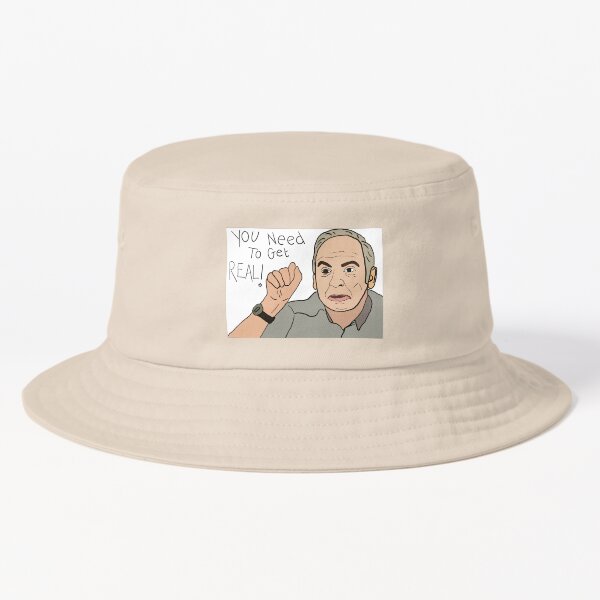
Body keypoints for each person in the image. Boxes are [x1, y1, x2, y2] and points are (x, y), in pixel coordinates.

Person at [228, 228, 383, 338]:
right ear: (315, 280)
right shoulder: (291, 315)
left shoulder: (387, 313)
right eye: (325, 271)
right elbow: (230, 352)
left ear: (371, 277)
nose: (335, 283)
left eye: (349, 270)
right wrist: (271, 305)